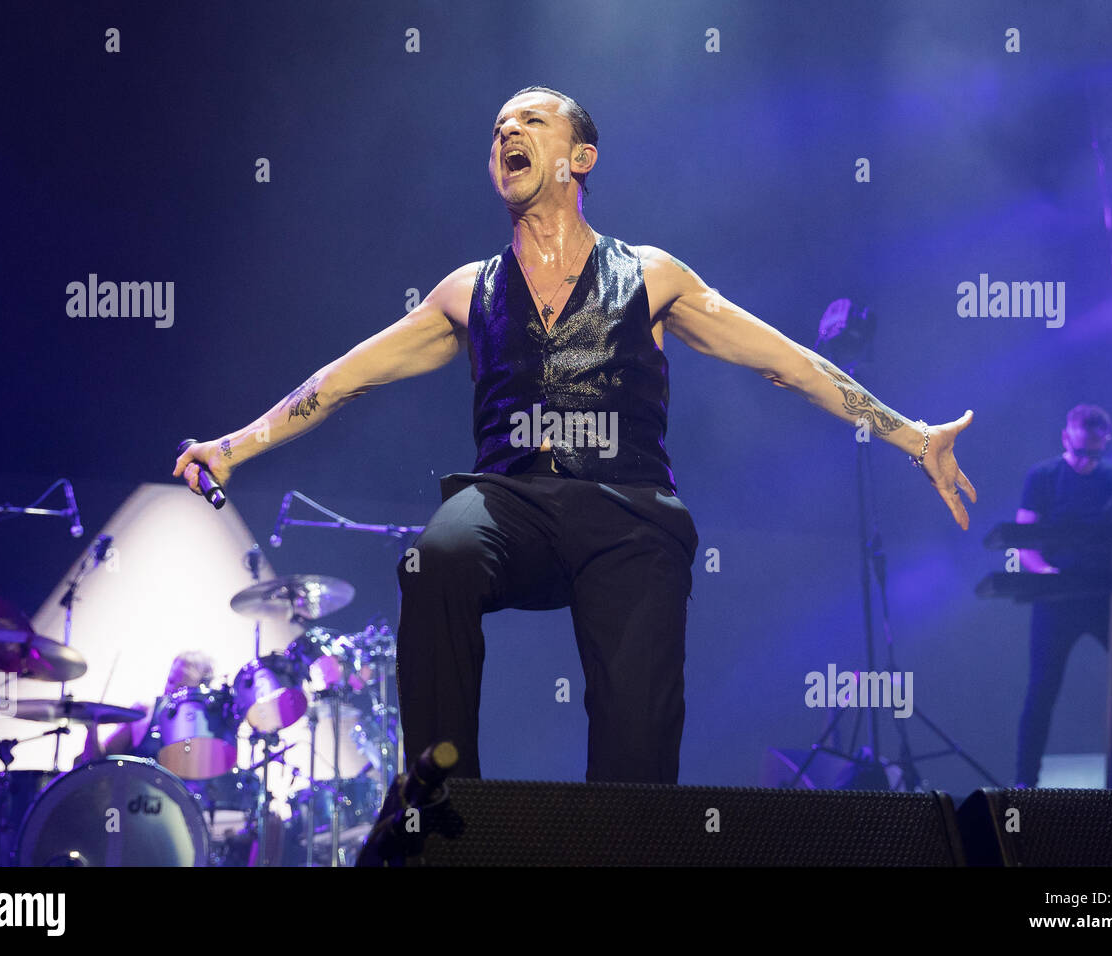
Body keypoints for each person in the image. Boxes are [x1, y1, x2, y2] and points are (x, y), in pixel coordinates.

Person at [174, 86, 976, 783]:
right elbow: (341, 380)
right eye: (497, 127)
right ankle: (444, 800)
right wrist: (233, 447)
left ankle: (622, 837)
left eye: (529, 120)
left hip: (628, 509)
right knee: (437, 558)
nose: (506, 133)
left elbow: (788, 362)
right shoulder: (465, 291)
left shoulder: (653, 275)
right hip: (509, 503)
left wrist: (910, 435)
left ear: (580, 156)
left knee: (635, 739)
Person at [1014, 404, 1112, 789]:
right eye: (1081, 451)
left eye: (1094, 453)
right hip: (1058, 599)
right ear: (1066, 438)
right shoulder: (1042, 477)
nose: (1087, 461)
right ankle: (1024, 785)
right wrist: (1044, 572)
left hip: (1111, 598)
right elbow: (1022, 539)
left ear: (1106, 443)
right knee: (1042, 692)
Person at [80, 651, 215, 762]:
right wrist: (92, 729)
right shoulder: (143, 713)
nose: (172, 690)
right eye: (171, 681)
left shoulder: (206, 732)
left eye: (182, 688)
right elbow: (98, 761)